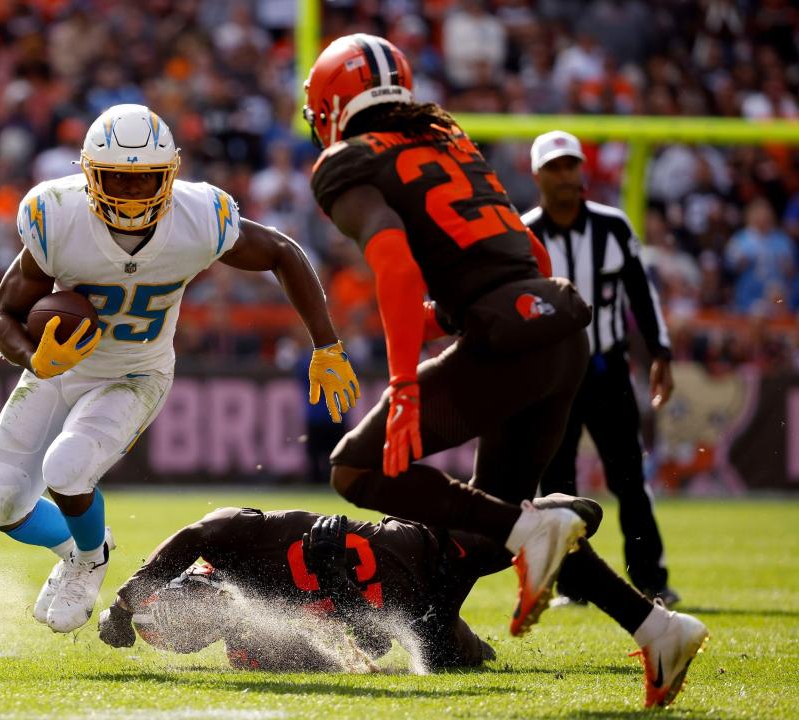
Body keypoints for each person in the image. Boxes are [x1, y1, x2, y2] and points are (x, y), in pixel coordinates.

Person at [300, 35, 706, 706]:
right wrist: (462, 314)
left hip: (510, 339)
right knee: (487, 530)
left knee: (355, 468)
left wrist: (403, 384)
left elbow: (397, 265)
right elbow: (528, 254)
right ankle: (655, 625)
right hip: (556, 331)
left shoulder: (351, 160)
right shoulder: (449, 141)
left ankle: (534, 529)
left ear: (334, 106)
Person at [0, 103, 361, 634]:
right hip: (60, 370)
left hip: (137, 374)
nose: (131, 195)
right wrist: (32, 357)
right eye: (117, 178)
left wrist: (326, 345)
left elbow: (282, 251)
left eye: (145, 181)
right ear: (89, 172)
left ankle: (89, 565)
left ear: (171, 174)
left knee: (66, 469)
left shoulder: (199, 217)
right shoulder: (57, 217)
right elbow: (4, 313)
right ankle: (80, 547)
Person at [98, 495, 604, 673]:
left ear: (191, 582)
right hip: (420, 619)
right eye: (195, 627)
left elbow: (192, 535)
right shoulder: (256, 646)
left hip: (422, 544)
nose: (202, 615)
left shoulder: (231, 541)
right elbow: (373, 646)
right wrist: (339, 585)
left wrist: (125, 603)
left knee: (574, 515)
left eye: (189, 610)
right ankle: (472, 639)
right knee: (458, 659)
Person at [522, 130, 679, 606]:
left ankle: (650, 579)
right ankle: (572, 584)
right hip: (552, 376)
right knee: (557, 485)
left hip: (607, 367)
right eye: (556, 167)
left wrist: (661, 352)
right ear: (538, 174)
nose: (567, 175)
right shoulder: (525, 232)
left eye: (572, 165)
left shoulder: (612, 227)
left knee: (628, 476)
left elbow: (641, 294)